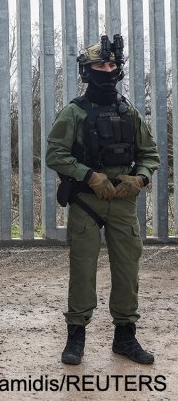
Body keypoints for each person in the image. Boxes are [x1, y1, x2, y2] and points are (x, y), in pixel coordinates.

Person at [46, 34, 158, 366]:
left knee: (127, 270)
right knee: (82, 269)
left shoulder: (129, 111)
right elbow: (55, 153)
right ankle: (76, 336)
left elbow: (150, 154)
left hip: (122, 202)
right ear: (87, 70)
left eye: (111, 64)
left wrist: (140, 178)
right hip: (87, 202)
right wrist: (88, 175)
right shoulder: (74, 113)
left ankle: (125, 336)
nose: (106, 70)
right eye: (100, 64)